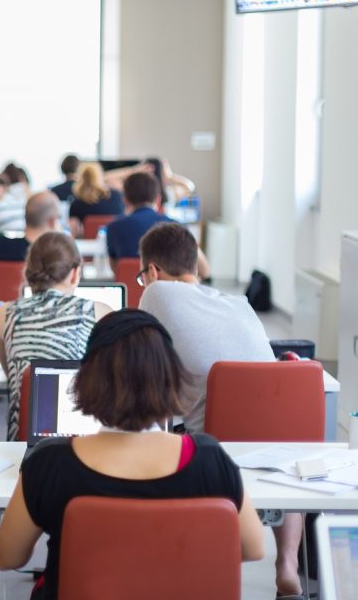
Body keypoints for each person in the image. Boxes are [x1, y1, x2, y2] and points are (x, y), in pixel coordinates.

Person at [0, 310, 265, 600]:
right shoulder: (210, 460)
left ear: (88, 379)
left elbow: (7, 557)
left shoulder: (50, 464)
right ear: (170, 376)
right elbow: (253, 548)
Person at [136, 221, 297, 596]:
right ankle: (287, 561)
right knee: (286, 450)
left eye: (144, 276)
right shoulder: (238, 303)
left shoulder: (156, 294)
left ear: (154, 272)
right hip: (280, 444)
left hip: (212, 449)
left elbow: (145, 368)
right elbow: (200, 269)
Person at [0, 232, 111, 440]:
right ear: (75, 274)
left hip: (23, 444)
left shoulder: (4, 314)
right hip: (82, 443)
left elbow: (13, 375)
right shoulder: (101, 313)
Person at [106, 172, 211, 278]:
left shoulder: (113, 228)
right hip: (167, 293)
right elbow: (205, 271)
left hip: (128, 292)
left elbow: (116, 270)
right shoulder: (177, 227)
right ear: (158, 199)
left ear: (125, 200)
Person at [68, 162, 125, 234]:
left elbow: (74, 232)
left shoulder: (76, 204)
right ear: (100, 176)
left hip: (88, 244)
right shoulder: (117, 196)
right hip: (115, 240)